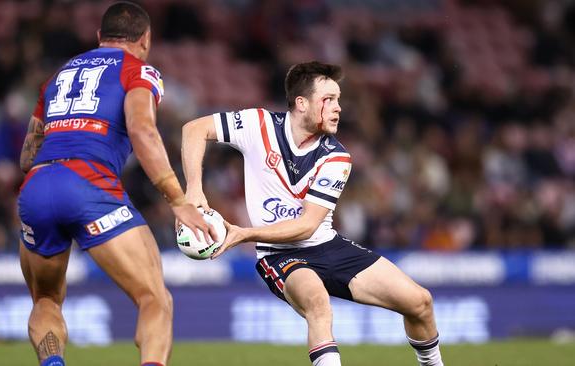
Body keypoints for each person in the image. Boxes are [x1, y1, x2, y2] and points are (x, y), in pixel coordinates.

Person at [181, 61, 444, 366]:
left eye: (339, 100)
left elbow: (307, 226)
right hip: (279, 254)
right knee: (318, 304)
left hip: (325, 245)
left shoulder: (336, 157)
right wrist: (194, 190)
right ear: (302, 103)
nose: (338, 108)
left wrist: (243, 233)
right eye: (328, 100)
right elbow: (194, 129)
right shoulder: (258, 125)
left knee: (420, 302)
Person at [18, 3, 215, 366]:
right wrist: (177, 199)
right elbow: (142, 129)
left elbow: (27, 155)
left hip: (38, 184)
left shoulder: (58, 76)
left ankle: (52, 363)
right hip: (89, 184)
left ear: (99, 38)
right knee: (154, 298)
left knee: (45, 299)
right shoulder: (138, 70)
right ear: (146, 39)